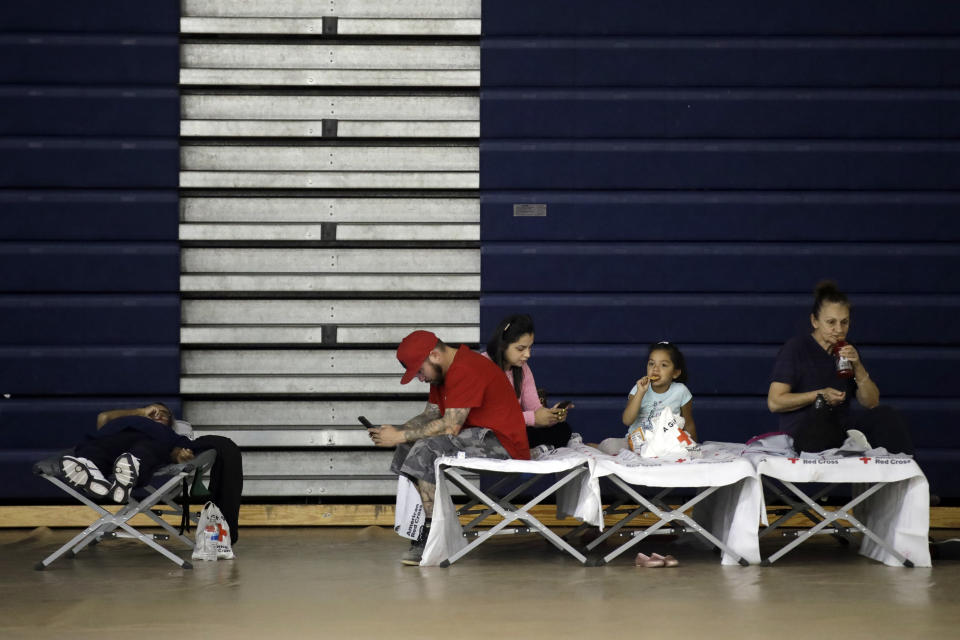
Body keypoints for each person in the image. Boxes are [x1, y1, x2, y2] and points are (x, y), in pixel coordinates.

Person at [369, 330, 528, 565]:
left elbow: (450, 426)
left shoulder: (467, 369)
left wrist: (400, 435)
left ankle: (432, 537)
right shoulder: (442, 374)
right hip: (474, 436)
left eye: (420, 372)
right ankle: (420, 526)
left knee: (425, 450)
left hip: (503, 445)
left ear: (434, 355)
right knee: (407, 447)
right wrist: (395, 431)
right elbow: (430, 416)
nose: (420, 379)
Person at [767, 280, 913, 454]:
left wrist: (857, 366)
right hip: (805, 431)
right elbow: (775, 402)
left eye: (844, 322)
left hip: (841, 430)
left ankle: (901, 476)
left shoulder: (847, 350)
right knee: (821, 411)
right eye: (831, 322)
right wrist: (820, 395)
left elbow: (871, 402)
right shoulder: (796, 348)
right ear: (815, 321)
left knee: (886, 415)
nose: (839, 329)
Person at [60, 403, 195, 503]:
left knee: (144, 453)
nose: (158, 414)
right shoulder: (125, 421)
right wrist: (141, 412)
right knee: (95, 450)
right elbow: (104, 416)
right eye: (153, 411)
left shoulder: (168, 433)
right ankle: (93, 475)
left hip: (149, 442)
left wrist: (181, 456)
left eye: (164, 413)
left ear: (170, 422)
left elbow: (177, 451)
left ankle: (126, 474)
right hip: (112, 439)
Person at [483, 314, 572, 450]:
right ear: (503, 345)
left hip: (516, 428)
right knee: (511, 435)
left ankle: (536, 446)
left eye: (530, 348)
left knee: (563, 429)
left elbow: (534, 408)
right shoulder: (482, 366)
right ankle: (540, 447)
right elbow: (490, 417)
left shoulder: (523, 369)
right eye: (521, 349)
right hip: (489, 431)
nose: (527, 355)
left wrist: (551, 416)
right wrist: (533, 418)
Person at [598, 341, 697, 454]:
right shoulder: (638, 388)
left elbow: (688, 423)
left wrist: (693, 448)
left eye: (663, 365)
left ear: (675, 373)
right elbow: (627, 420)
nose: (655, 369)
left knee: (680, 451)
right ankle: (596, 447)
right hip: (635, 445)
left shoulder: (681, 391)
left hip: (665, 444)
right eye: (651, 364)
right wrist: (640, 393)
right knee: (610, 445)